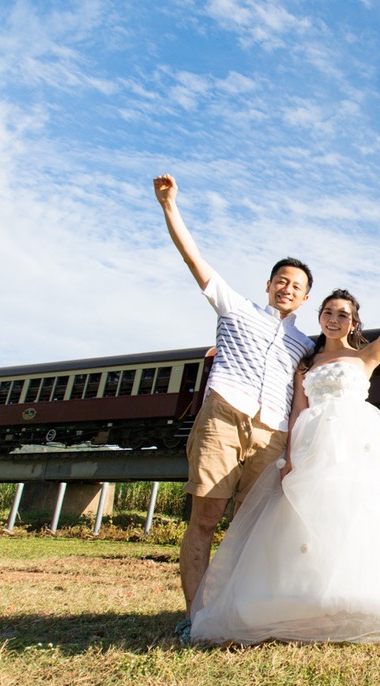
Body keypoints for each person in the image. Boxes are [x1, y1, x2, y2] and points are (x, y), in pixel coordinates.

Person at [189, 264, 380, 645]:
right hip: (311, 445)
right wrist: (289, 459)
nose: (334, 319)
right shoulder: (306, 363)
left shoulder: (366, 357)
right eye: (328, 312)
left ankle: (357, 600)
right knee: (304, 523)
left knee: (356, 518)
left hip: (358, 444)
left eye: (343, 315)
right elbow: (297, 412)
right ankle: (308, 603)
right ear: (320, 317)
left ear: (353, 323)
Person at [153, 174, 315, 645]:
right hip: (224, 418)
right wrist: (169, 206)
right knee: (205, 519)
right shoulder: (235, 309)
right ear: (268, 285)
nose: (287, 288)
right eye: (281, 280)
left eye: (296, 285)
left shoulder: (304, 344)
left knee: (247, 532)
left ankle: (236, 615)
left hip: (272, 435)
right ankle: (196, 617)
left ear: (305, 298)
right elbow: (193, 258)